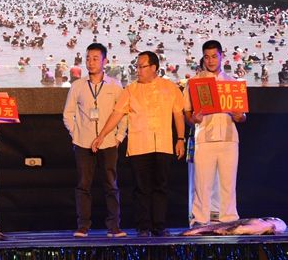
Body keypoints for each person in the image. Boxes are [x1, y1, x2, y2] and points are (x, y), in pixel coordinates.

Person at [92, 51, 185, 237]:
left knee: (161, 186)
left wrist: (180, 139)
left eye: (142, 67)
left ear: (154, 68)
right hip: (139, 145)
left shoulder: (170, 87)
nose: (138, 70)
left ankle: (159, 226)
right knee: (141, 188)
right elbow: (117, 114)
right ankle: (143, 226)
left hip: (163, 144)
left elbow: (178, 114)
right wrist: (101, 135)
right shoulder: (130, 90)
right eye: (137, 66)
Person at [63, 43, 128, 238]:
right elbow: (68, 114)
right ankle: (83, 226)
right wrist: (76, 135)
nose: (90, 62)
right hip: (83, 143)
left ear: (104, 61)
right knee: (83, 185)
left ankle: (114, 226)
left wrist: (119, 137)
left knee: (111, 185)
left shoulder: (115, 85)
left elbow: (123, 113)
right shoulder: (77, 85)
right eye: (88, 58)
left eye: (95, 58)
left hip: (108, 143)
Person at [184, 40, 247, 226]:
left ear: (221, 57)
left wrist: (239, 116)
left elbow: (242, 116)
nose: (210, 61)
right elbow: (187, 114)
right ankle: (200, 220)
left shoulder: (233, 83)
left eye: (214, 56)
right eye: (207, 57)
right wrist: (193, 119)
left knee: (228, 184)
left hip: (229, 139)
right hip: (204, 138)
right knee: (202, 184)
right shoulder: (194, 83)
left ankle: (229, 220)